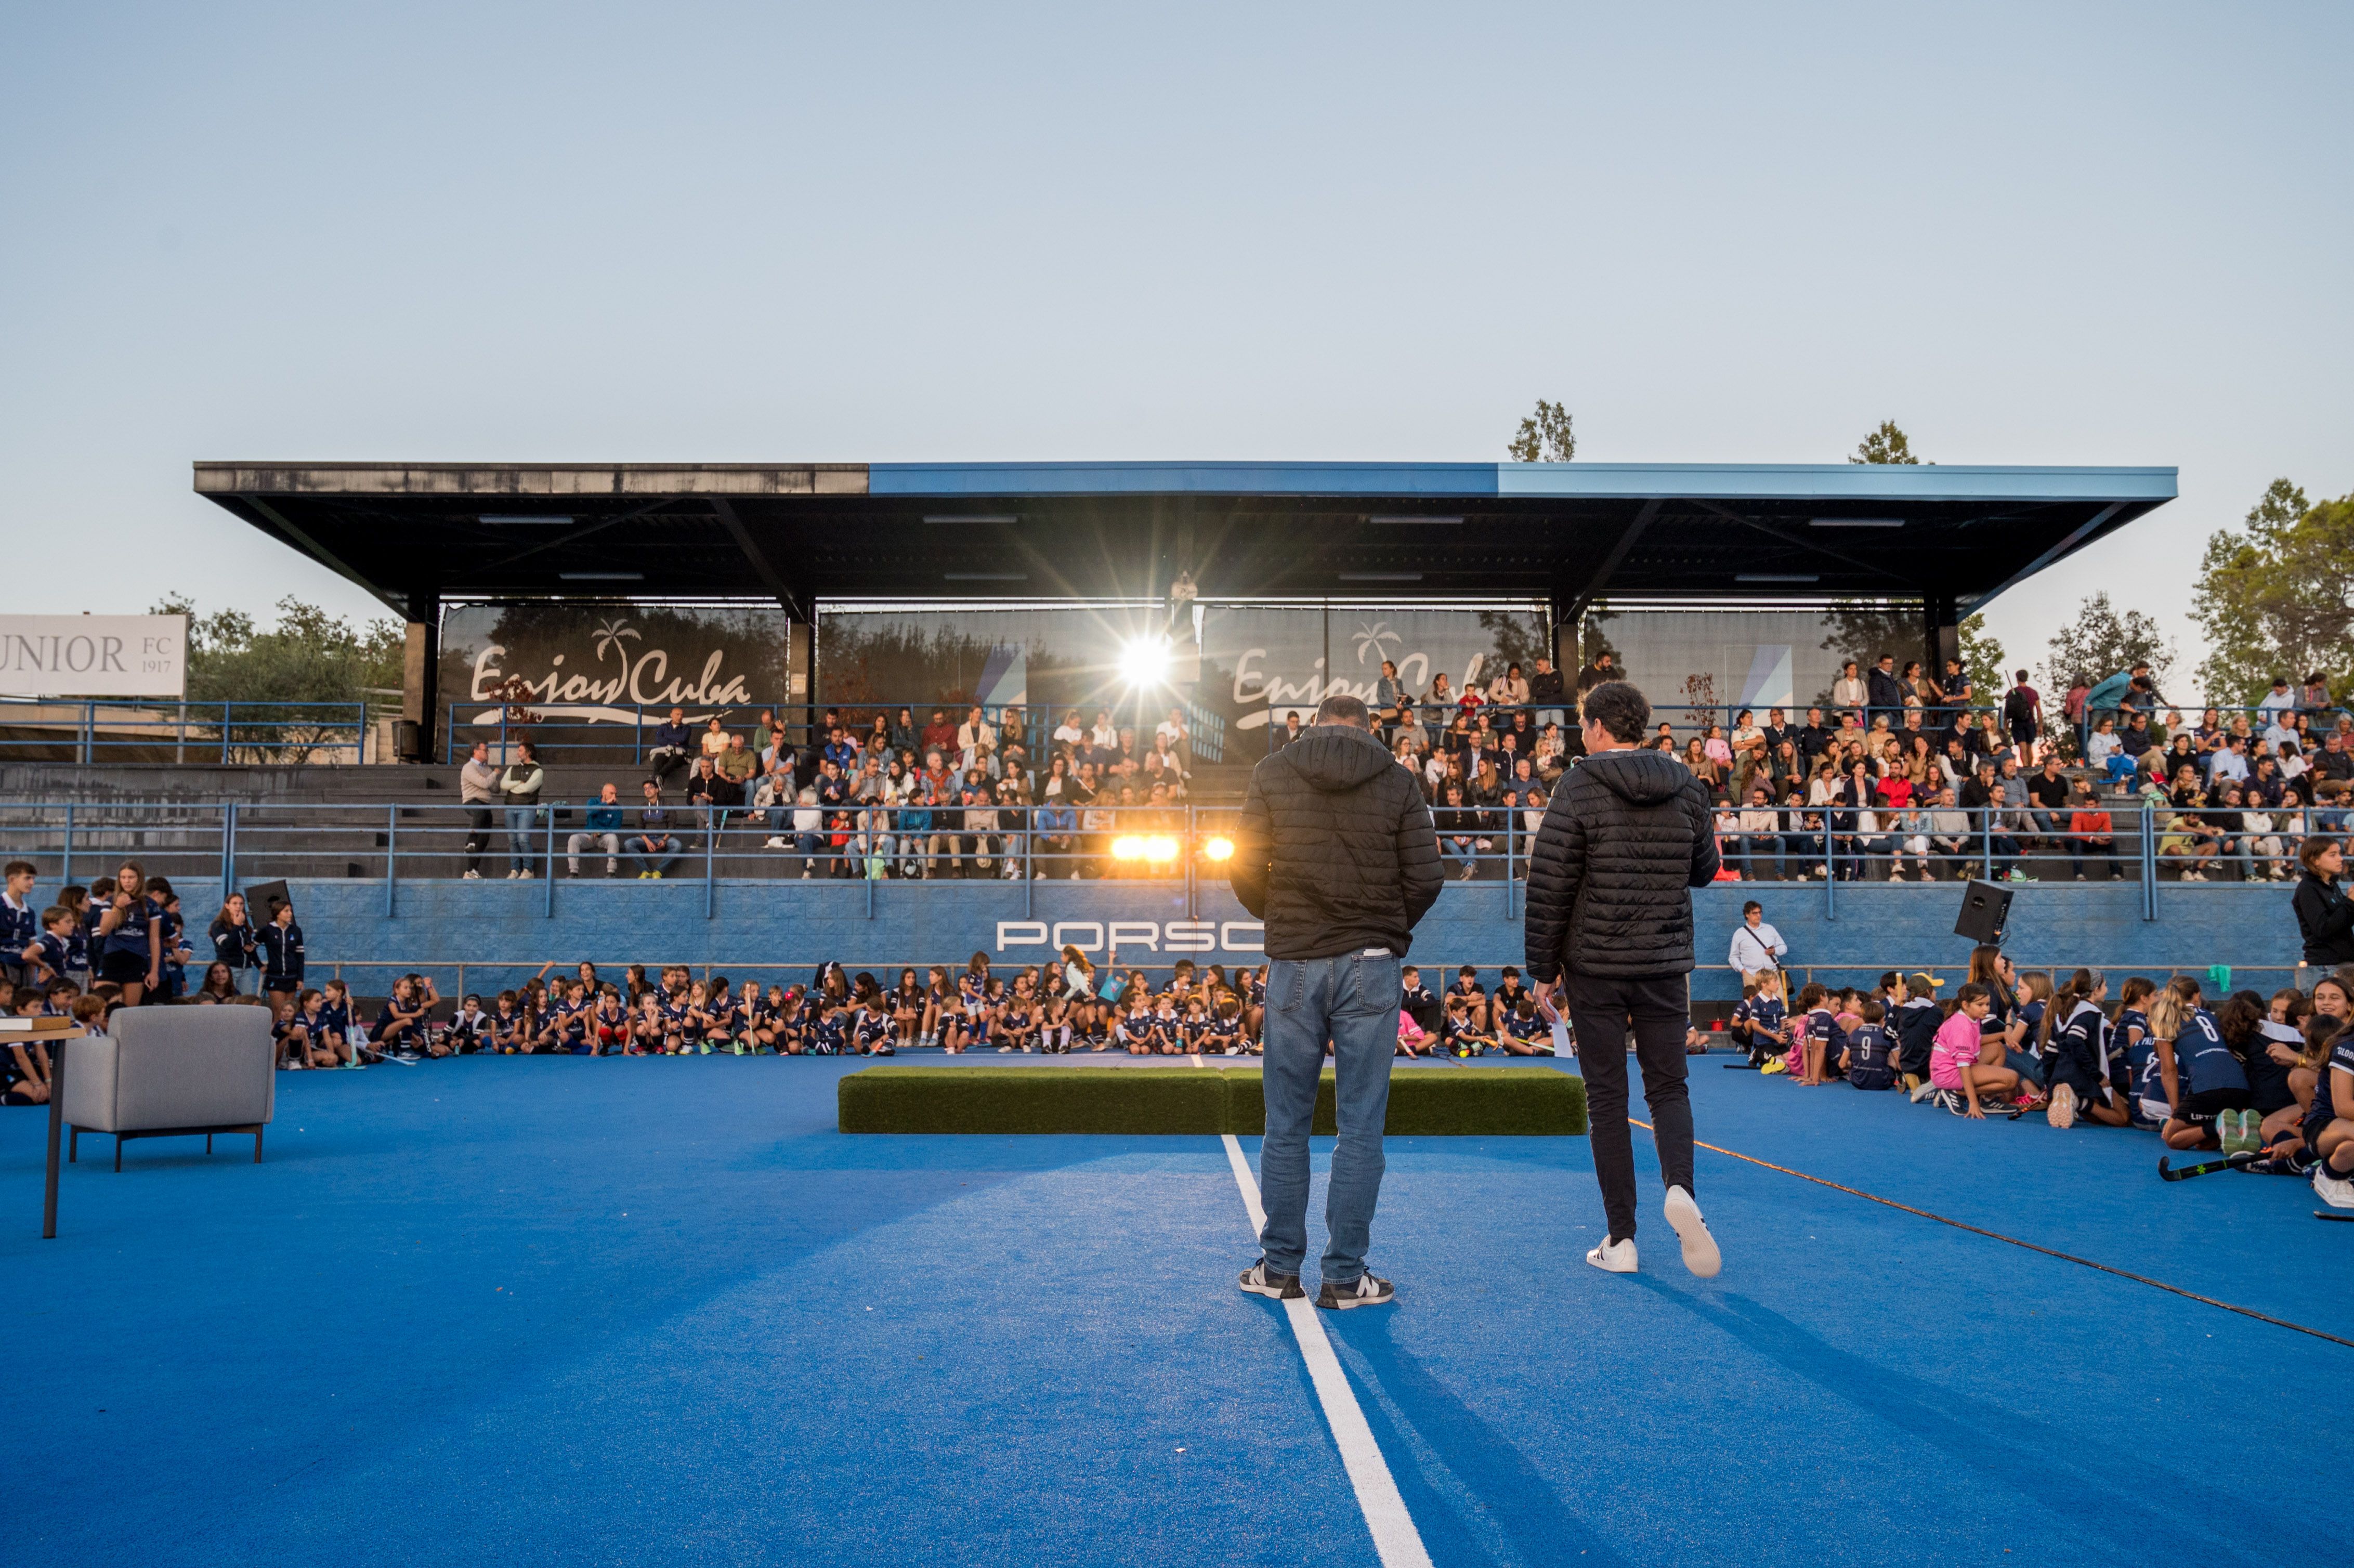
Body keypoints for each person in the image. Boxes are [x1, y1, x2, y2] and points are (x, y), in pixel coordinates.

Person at [1229, 692, 1442, 1311]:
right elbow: (1427, 876)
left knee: (1285, 1122)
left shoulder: (1273, 770)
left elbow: (1242, 865)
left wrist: (1283, 920)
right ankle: (1345, 1277)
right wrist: (1387, 929)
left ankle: (1278, 1268)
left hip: (1294, 959)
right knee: (1360, 1128)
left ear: (1314, 724)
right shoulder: (1398, 779)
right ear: (1369, 729)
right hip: (1372, 966)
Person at [1524, 679, 1722, 1278]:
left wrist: (1542, 969)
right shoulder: (1686, 785)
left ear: (1598, 728)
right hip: (1663, 963)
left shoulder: (1579, 785)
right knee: (1669, 1088)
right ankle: (1681, 1189)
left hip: (1596, 966)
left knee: (1606, 1098)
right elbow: (1706, 870)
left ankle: (1622, 1238)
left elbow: (1549, 882)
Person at [2293, 837, 2354, 968]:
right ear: (2315, 860)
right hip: (2325, 967)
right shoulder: (2308, 889)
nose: (2340, 859)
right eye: (2333, 855)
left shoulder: (2331, 886)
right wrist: (2350, 903)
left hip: (2345, 963)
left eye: (2340, 853)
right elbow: (2323, 929)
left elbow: (2344, 921)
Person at [499, 741, 545, 879]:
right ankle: (515, 870)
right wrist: (519, 783)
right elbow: (503, 784)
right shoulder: (513, 769)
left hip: (527, 808)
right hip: (510, 808)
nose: (517, 753)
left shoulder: (538, 771)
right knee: (513, 840)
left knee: (523, 839)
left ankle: (528, 870)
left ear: (529, 753)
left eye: (520, 750)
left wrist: (512, 788)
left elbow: (529, 788)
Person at [459, 740, 500, 878]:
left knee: (484, 838)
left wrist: (490, 776)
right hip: (472, 801)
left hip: (485, 804)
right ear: (476, 751)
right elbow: (484, 783)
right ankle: (469, 842)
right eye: (485, 750)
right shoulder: (469, 767)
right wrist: (494, 774)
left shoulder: (486, 768)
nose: (487, 752)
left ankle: (471, 870)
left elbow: (496, 789)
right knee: (480, 814)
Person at [567, 782, 625, 877]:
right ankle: (574, 873)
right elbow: (590, 811)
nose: (614, 797)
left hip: (604, 837)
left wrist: (598, 833)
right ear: (604, 793)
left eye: (615, 794)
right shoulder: (593, 801)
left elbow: (615, 828)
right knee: (574, 839)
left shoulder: (617, 809)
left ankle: (611, 873)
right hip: (589, 836)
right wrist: (606, 804)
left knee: (613, 838)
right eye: (612, 794)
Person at [1728, 900, 1785, 975]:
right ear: (1747, 914)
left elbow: (1783, 947)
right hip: (1752, 975)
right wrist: (1743, 971)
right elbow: (1733, 957)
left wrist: (1775, 951)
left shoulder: (1770, 929)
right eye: (1755, 913)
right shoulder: (1739, 934)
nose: (1758, 915)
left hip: (1772, 975)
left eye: (1760, 912)